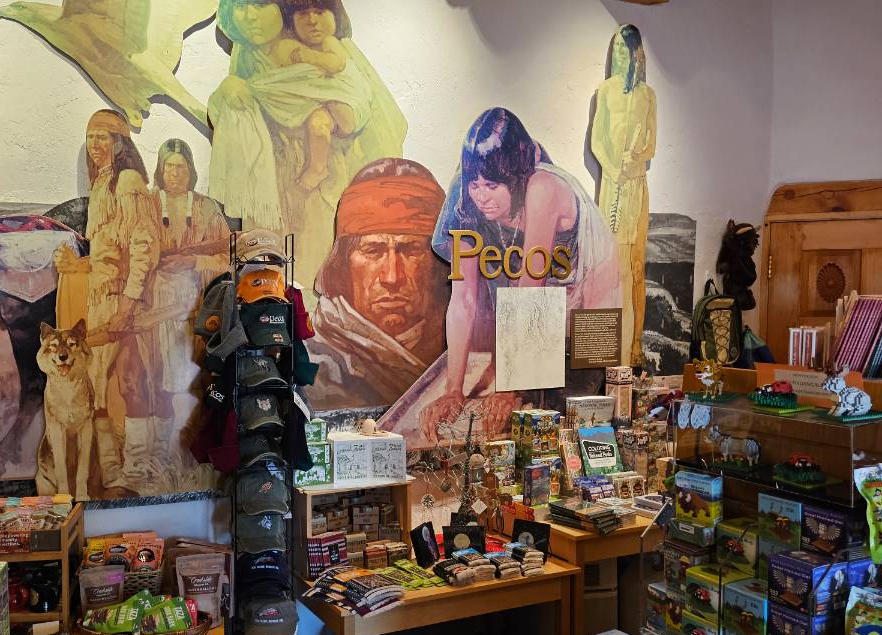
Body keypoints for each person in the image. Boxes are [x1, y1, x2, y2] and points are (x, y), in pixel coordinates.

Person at [418, 108, 621, 439]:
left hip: (586, 310)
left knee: (560, 421)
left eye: (492, 185)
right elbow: (464, 299)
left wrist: (510, 388)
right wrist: (453, 390)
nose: (481, 196)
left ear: (515, 179)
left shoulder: (542, 187)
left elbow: (530, 292)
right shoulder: (465, 192)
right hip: (536, 310)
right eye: (476, 185)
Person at [208, 0, 405, 289]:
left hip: (321, 178)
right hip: (270, 180)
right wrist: (230, 89)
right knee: (273, 270)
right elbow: (227, 111)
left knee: (317, 264)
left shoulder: (326, 46)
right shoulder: (248, 54)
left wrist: (324, 103)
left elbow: (361, 107)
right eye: (242, 7)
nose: (251, 16)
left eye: (261, 5)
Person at [55, 109, 161, 493]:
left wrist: (128, 305)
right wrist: (77, 265)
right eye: (91, 137)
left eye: (103, 137)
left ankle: (139, 470)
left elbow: (144, 246)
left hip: (126, 298)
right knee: (98, 387)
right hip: (101, 299)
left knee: (131, 380)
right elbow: (106, 253)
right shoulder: (101, 185)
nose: (95, 144)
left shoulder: (129, 181)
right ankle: (113, 471)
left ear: (119, 143)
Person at [309, 158, 448, 410]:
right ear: (343, 262)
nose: (392, 277)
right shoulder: (315, 364)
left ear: (437, 266)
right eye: (373, 250)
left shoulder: (471, 355)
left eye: (411, 250)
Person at [148, 138, 231, 459]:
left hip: (198, 307)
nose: (175, 173)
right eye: (169, 166)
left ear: (191, 170)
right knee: (155, 380)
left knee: (195, 378)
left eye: (181, 167)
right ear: (160, 169)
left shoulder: (207, 210)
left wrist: (193, 261)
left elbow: (227, 257)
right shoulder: (147, 206)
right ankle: (159, 452)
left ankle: (193, 447)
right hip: (155, 309)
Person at [592, 24, 656, 366]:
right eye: (615, 47)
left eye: (624, 48)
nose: (619, 54)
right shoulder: (605, 92)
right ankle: (612, 355)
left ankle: (634, 348)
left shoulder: (648, 95)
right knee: (615, 267)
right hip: (612, 185)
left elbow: (651, 143)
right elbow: (597, 140)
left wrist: (637, 158)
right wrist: (613, 167)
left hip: (636, 185)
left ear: (634, 52)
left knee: (636, 266)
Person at [268, 0, 363, 192]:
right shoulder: (290, 45)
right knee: (317, 125)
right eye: (303, 14)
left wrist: (310, 57)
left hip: (345, 100)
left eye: (319, 12)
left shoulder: (330, 42)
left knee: (338, 111)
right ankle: (318, 169)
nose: (312, 21)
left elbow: (336, 64)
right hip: (322, 106)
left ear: (335, 16)